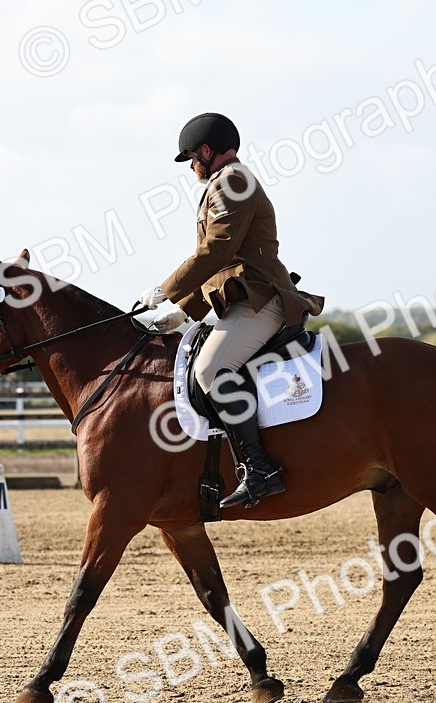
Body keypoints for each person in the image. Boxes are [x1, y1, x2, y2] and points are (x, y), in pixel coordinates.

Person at [138, 113, 324, 508]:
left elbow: (215, 251)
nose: (191, 166)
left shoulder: (233, 181)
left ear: (206, 151)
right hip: (242, 298)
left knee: (210, 370)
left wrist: (165, 289)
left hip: (263, 299)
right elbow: (224, 265)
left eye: (191, 157)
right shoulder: (226, 183)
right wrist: (186, 312)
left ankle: (260, 470)